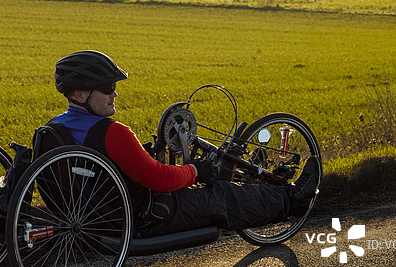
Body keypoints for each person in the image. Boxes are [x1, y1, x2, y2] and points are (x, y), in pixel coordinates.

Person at [48, 50, 320, 237]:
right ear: (80, 94)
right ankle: (294, 199)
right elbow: (160, 179)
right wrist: (197, 172)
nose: (114, 93)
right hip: (148, 216)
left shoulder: (55, 130)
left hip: (97, 216)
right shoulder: (113, 133)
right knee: (222, 196)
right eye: (107, 87)